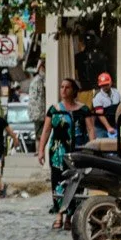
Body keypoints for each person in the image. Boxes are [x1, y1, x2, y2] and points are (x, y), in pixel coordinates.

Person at [37, 77, 87, 229]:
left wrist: (94, 149)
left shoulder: (83, 110)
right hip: (58, 151)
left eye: (67, 87)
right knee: (58, 181)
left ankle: (69, 217)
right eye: (62, 87)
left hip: (78, 149)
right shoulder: (54, 110)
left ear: (73, 91)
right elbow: (46, 131)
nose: (63, 90)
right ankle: (59, 215)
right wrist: (41, 151)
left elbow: (90, 129)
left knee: (76, 182)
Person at [90, 70, 121, 142]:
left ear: (110, 83)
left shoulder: (116, 92)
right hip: (101, 127)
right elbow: (100, 114)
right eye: (102, 85)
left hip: (114, 125)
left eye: (106, 84)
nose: (105, 87)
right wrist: (108, 128)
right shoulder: (97, 97)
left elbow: (119, 108)